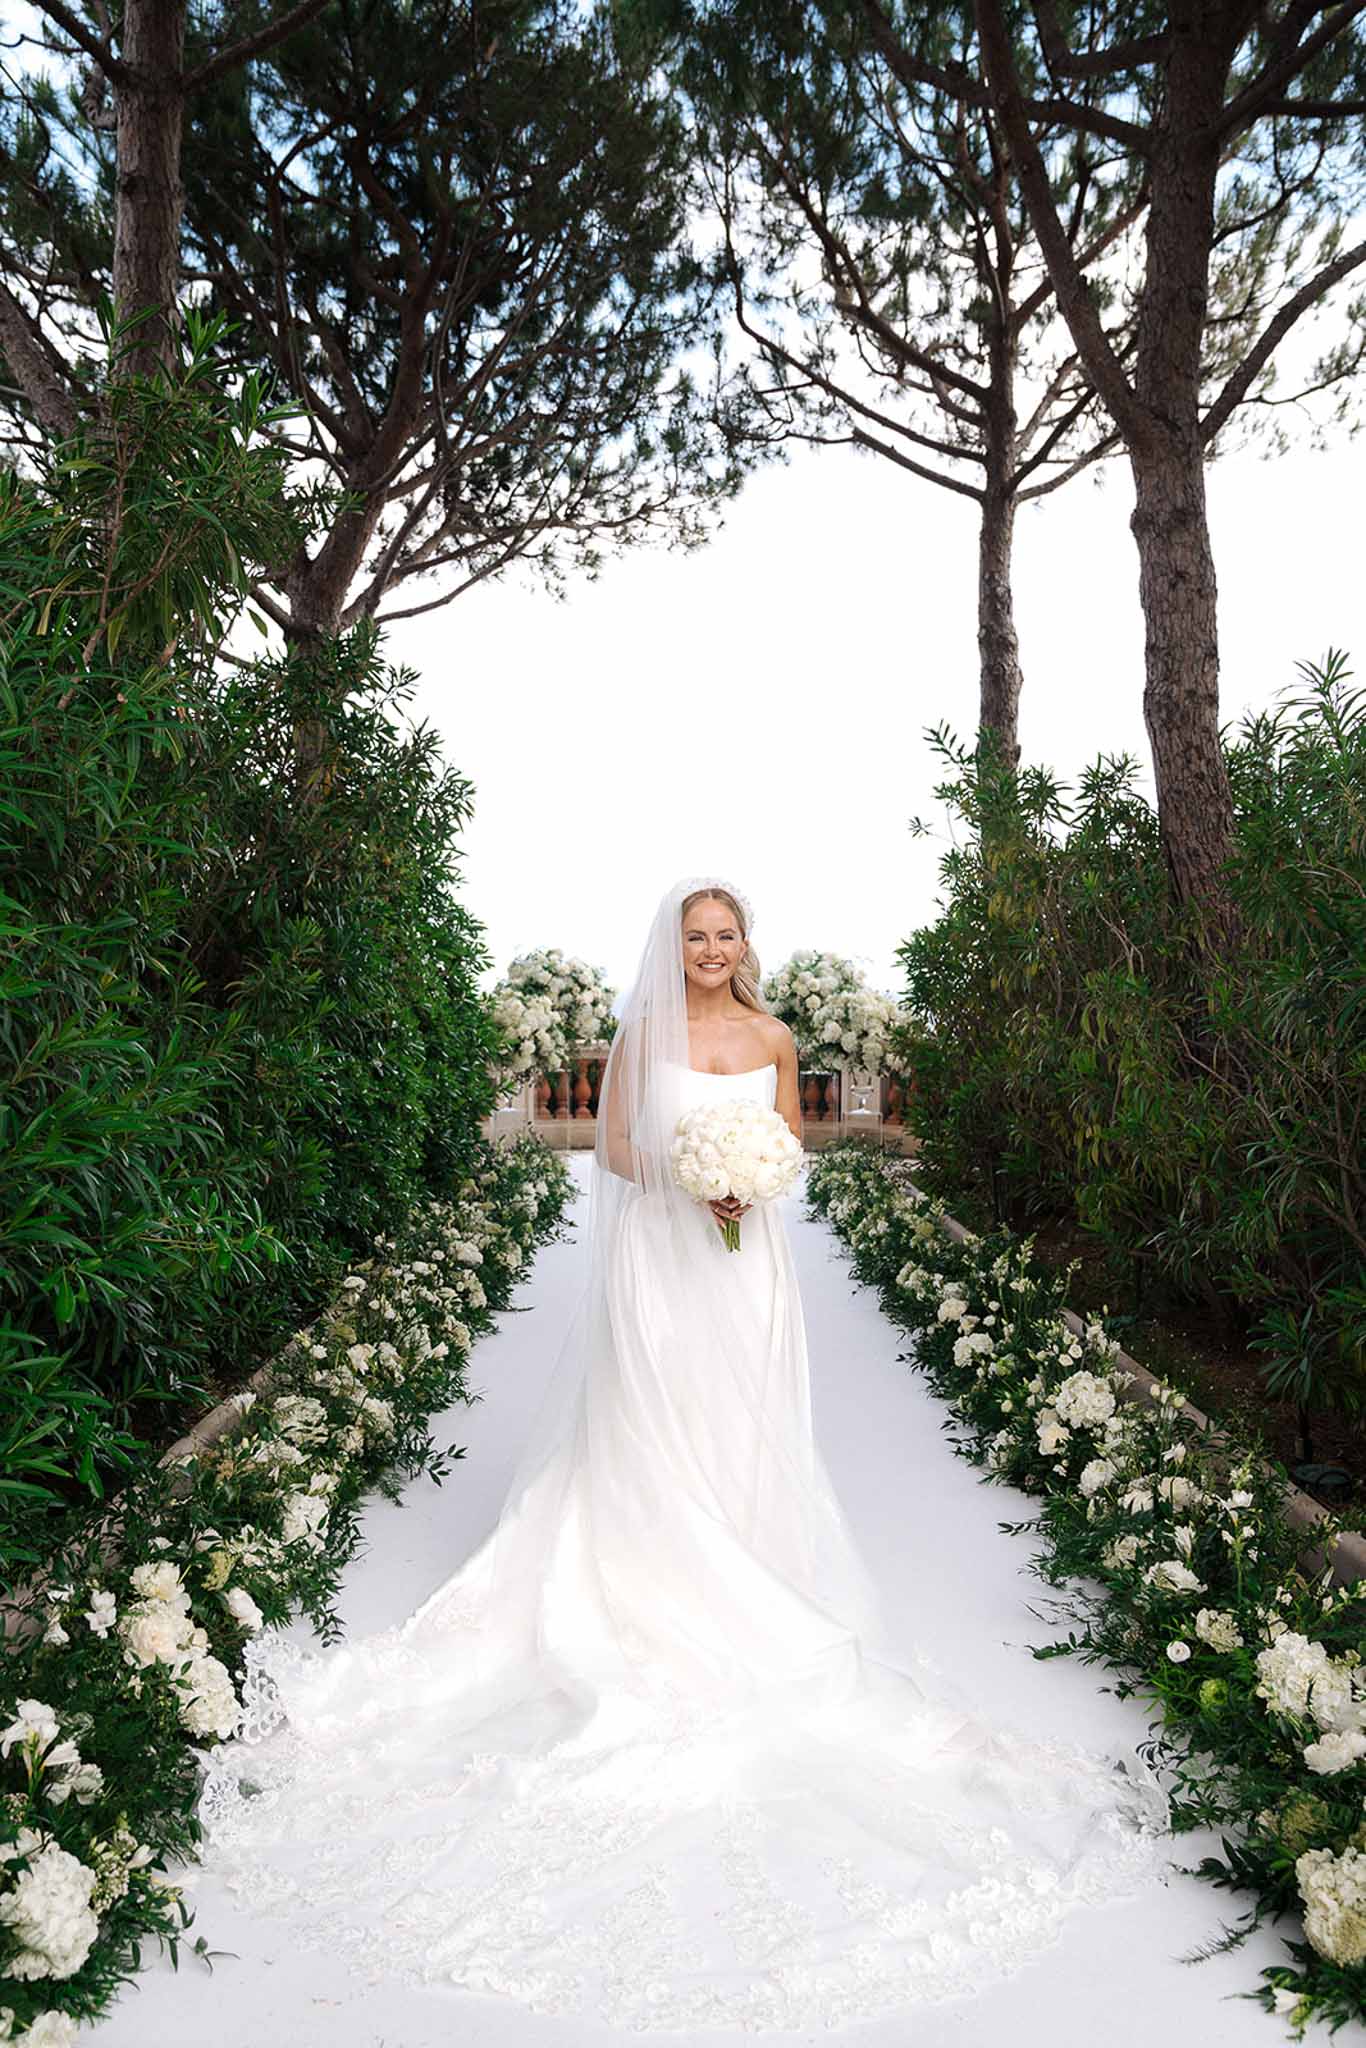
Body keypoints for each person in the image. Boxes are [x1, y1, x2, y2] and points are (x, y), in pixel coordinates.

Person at [194, 874, 1174, 2033]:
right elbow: (610, 1149)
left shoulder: (773, 1032)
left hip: (743, 1260)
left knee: (738, 1407)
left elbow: (797, 1149)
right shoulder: (643, 1031)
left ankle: (744, 1548)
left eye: (725, 934)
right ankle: (643, 1564)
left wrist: (747, 1172)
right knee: (650, 1407)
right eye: (694, 936)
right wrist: (683, 1168)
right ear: (675, 945)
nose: (710, 949)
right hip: (660, 1251)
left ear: (746, 942)